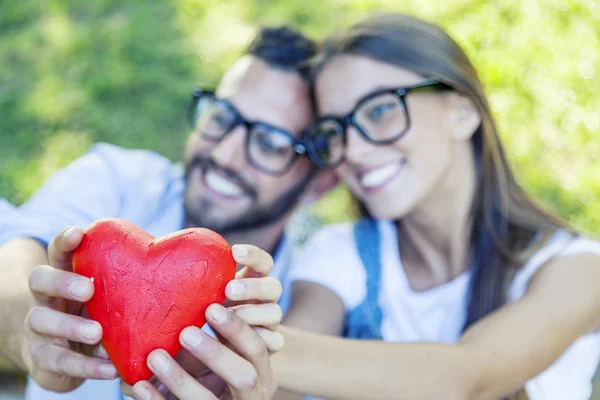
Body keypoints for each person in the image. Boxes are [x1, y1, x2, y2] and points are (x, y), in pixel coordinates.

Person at [276, 13, 600, 400]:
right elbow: (280, 387)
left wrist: (250, 345)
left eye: (379, 110)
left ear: (462, 112)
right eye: (335, 131)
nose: (354, 151)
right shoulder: (339, 254)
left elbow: (466, 379)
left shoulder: (577, 269)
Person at [0, 25, 333, 400]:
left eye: (270, 143)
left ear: (320, 184)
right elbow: (11, 258)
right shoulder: (119, 179)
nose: (224, 155)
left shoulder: (313, 293)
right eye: (221, 117)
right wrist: (30, 337)